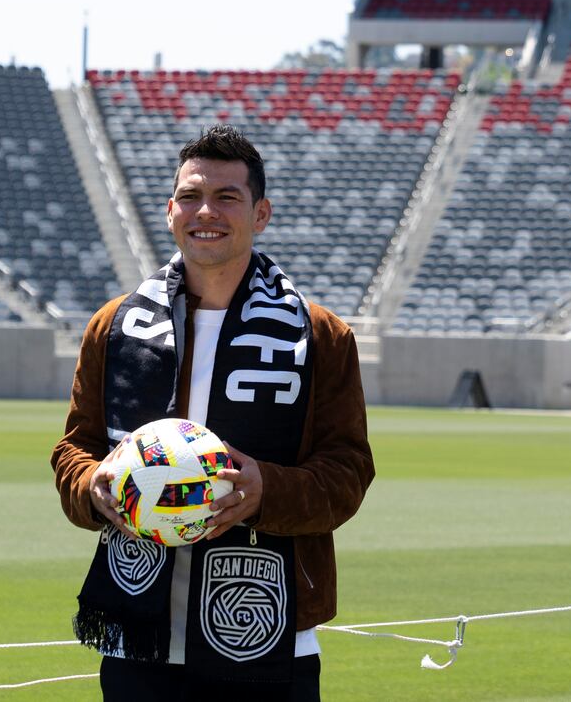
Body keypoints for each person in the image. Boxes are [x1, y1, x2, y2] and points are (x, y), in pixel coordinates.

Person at [52, 125, 374, 701]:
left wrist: (265, 491)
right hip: (136, 639)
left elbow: (348, 475)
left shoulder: (320, 336)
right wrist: (91, 487)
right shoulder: (114, 326)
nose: (207, 211)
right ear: (171, 210)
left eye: (227, 197)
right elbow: (73, 451)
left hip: (269, 638)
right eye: (192, 196)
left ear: (261, 213)